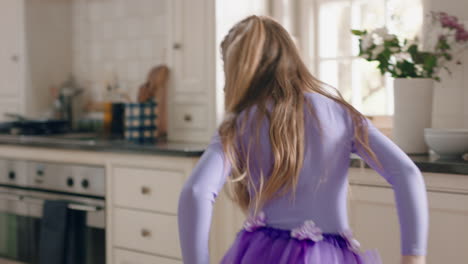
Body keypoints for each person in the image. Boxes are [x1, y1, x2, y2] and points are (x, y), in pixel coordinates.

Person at [178, 15, 428, 264]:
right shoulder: (342, 114)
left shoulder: (239, 122)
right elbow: (407, 173)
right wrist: (414, 257)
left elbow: (196, 191)